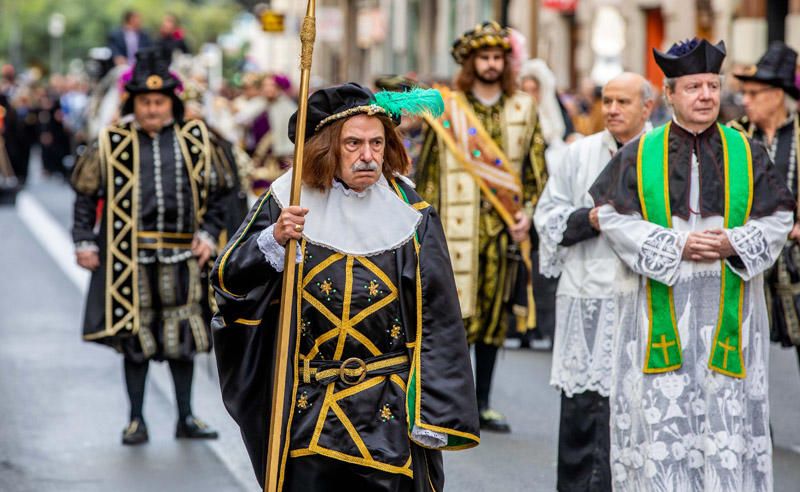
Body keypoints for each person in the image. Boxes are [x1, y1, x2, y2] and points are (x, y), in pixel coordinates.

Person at [211, 83, 480, 491]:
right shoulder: (287, 200)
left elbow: (439, 320)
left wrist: (435, 413)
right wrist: (273, 242)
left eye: (376, 142)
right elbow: (228, 280)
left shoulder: (411, 214)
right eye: (353, 143)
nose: (368, 156)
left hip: (388, 416)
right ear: (326, 147)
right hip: (307, 412)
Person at [589, 38, 795, 490]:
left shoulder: (746, 150)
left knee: (726, 422)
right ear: (669, 95)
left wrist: (733, 242)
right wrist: (673, 246)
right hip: (661, 307)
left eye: (712, 85)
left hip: (730, 310)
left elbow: (780, 216)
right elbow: (609, 215)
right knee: (664, 428)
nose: (705, 95)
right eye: (693, 87)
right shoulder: (641, 152)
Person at [71, 47, 235, 445]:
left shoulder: (196, 140)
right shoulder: (111, 142)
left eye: (159, 102)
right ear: (134, 103)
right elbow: (84, 194)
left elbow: (222, 193)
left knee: (182, 343)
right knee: (135, 342)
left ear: (172, 103)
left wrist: (209, 235)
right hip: (130, 260)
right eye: (145, 102)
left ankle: (186, 417)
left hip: (183, 259)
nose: (152, 109)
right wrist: (83, 240)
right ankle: (136, 420)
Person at [416, 20, 548, 432]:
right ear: (471, 63)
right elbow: (430, 172)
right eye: (483, 58)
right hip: (454, 233)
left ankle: (482, 403)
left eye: (497, 57)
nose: (491, 64)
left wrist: (528, 211)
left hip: (501, 234)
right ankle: (443, 405)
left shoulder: (524, 108)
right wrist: (425, 223)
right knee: (451, 319)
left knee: (493, 320)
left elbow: (535, 168)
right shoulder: (447, 109)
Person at [535, 72, 654, 491]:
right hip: (588, 296)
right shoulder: (578, 154)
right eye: (607, 101)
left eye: (624, 102)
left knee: (640, 416)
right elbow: (547, 217)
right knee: (582, 416)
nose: (613, 110)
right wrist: (590, 218)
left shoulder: (665, 155)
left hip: (644, 300)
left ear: (648, 108)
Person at [729, 42, 800, 368]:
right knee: (747, 358)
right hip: (750, 260)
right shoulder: (736, 135)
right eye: (745, 92)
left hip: (797, 260)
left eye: (754, 93)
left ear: (777, 94)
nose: (746, 100)